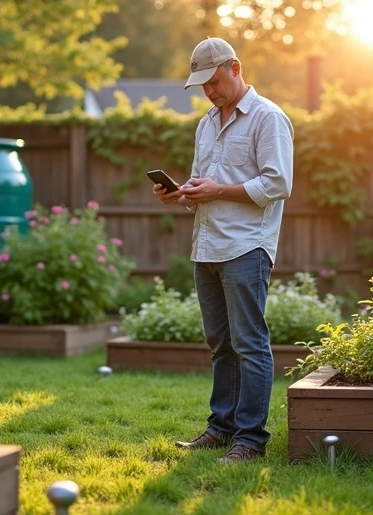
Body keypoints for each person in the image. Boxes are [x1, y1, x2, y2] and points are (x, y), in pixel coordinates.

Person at [153, 37, 293, 463]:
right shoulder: (207, 123)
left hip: (246, 247)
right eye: (203, 86)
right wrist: (181, 194)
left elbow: (277, 183)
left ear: (235, 68)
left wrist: (218, 190)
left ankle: (251, 440)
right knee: (221, 345)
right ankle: (221, 429)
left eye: (214, 81)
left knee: (249, 344)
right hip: (207, 246)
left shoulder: (268, 118)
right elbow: (204, 184)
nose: (209, 91)